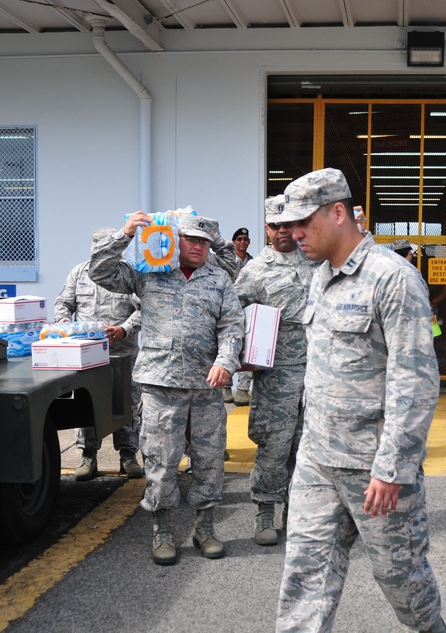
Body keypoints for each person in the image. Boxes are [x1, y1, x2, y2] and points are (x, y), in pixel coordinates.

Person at [273, 169, 446, 633]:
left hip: (374, 464)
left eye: (302, 222)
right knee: (304, 576)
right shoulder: (320, 277)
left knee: (401, 578)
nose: (293, 234)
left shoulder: (392, 279)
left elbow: (414, 381)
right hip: (318, 459)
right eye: (288, 225)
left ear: (337, 212)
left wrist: (392, 468)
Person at [90, 213, 245, 565]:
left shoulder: (218, 279)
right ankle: (162, 530)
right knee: (161, 461)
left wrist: (225, 361)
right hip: (161, 386)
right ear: (175, 239)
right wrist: (125, 234)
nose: (198, 246)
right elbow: (100, 271)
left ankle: (204, 527)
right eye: (191, 239)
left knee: (208, 461)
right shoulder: (151, 271)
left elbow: (232, 326)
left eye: (204, 241)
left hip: (206, 386)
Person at [233, 195, 319, 546]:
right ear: (266, 229)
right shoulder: (255, 270)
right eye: (275, 225)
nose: (283, 231)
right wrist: (242, 354)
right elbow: (233, 316)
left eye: (289, 224)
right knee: (275, 444)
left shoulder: (318, 260)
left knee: (311, 444)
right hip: (277, 372)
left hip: (317, 369)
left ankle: (297, 512)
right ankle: (266, 509)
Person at [54, 227, 143, 481]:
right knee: (87, 403)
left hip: (122, 354)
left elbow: (144, 309)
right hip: (88, 354)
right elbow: (63, 303)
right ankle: (88, 456)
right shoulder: (79, 273)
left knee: (125, 402)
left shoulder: (130, 274)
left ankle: (128, 456)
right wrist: (63, 322)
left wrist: (124, 329)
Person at [227, 227, 255, 407]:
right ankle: (225, 387)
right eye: (239, 239)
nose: (243, 242)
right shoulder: (227, 261)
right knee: (228, 345)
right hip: (229, 310)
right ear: (233, 242)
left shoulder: (253, 262)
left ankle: (243, 389)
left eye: (245, 239)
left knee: (249, 349)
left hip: (247, 310)